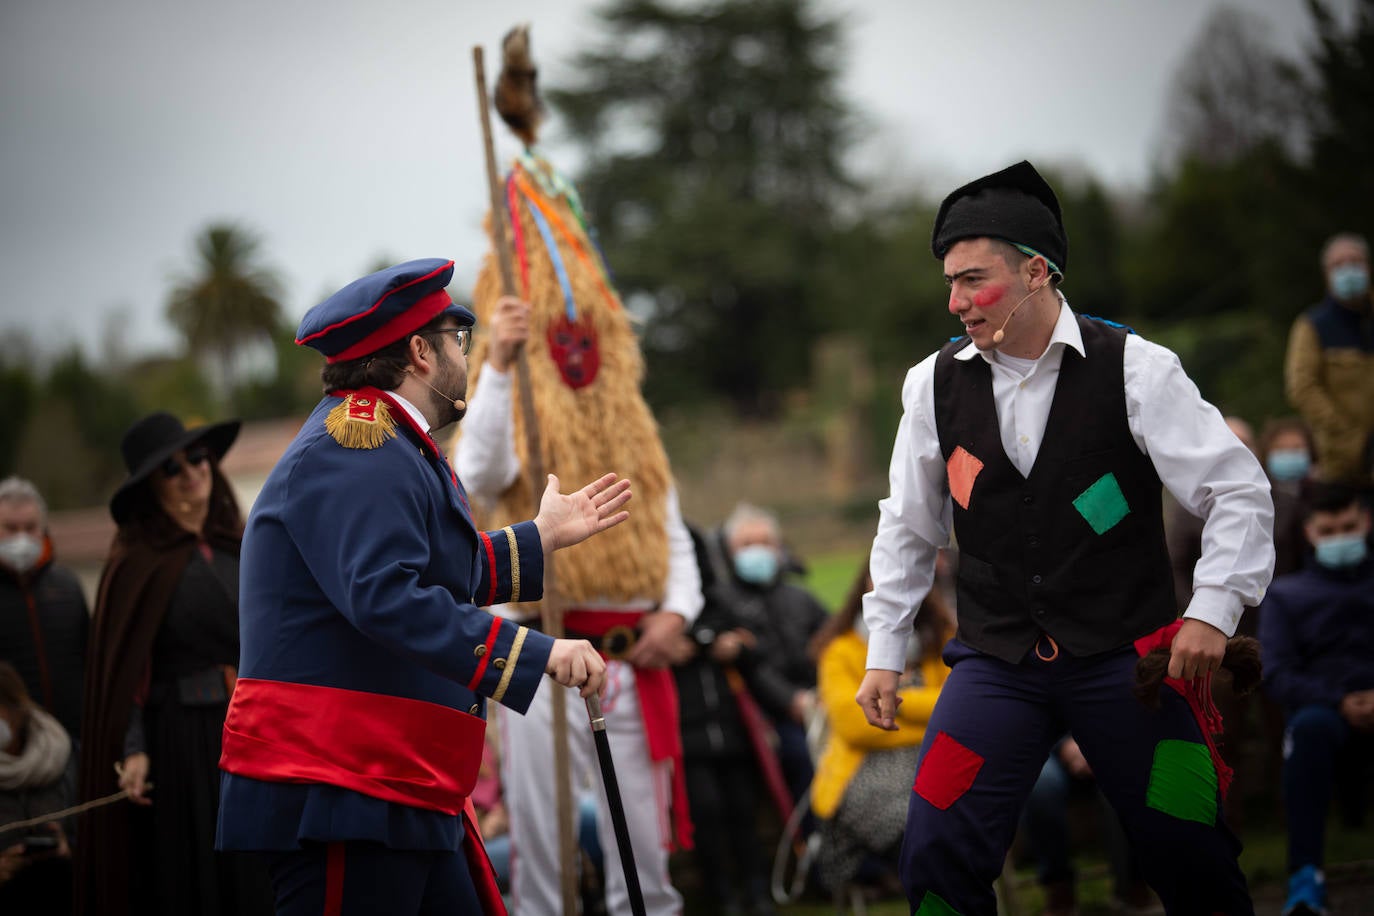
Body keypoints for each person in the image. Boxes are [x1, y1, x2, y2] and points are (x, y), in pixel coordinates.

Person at [855, 160, 1275, 915]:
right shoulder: (934, 383)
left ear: (1037, 272)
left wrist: (1213, 610)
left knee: (1193, 851)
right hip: (996, 663)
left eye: (973, 280)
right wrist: (885, 650)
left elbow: (1237, 490)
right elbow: (908, 525)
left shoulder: (1136, 368)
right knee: (936, 850)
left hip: (1128, 659)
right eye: (949, 283)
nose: (955, 303)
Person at [214, 258, 627, 916]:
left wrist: (538, 537)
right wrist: (539, 652)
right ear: (420, 352)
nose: (464, 353)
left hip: (389, 776)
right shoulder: (358, 442)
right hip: (343, 783)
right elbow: (385, 598)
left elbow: (430, 573)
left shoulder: (386, 438)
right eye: (457, 338)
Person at [454, 152, 703, 915]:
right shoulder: (514, 402)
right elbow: (478, 470)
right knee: (543, 855)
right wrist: (496, 365)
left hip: (630, 656)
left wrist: (677, 614)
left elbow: (674, 538)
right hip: (539, 655)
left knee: (645, 863)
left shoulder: (634, 427)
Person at [74, 410, 272, 916]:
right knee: (199, 878)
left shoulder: (242, 545)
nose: (191, 472)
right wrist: (134, 749)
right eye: (171, 469)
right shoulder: (134, 566)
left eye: (198, 457)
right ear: (150, 490)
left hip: (254, 733)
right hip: (183, 745)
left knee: (261, 873)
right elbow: (127, 676)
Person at [1257, 483, 1374, 916]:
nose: (1340, 537)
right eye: (1330, 530)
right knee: (1308, 731)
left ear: (1366, 522)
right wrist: (1339, 700)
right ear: (1310, 533)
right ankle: (1306, 878)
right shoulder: (1287, 595)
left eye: (1349, 526)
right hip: (1325, 712)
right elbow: (1277, 672)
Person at [809, 555, 952, 901]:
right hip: (863, 771)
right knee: (920, 832)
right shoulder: (840, 651)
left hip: (937, 761)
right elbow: (853, 726)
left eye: (902, 580)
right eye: (881, 580)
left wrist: (893, 701)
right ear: (864, 589)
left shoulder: (943, 640)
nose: (891, 590)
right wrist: (927, 714)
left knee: (957, 822)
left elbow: (958, 708)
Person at [710, 504, 829, 820]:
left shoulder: (800, 597)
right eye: (747, 544)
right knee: (803, 758)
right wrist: (793, 701)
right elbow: (752, 669)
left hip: (821, 702)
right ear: (730, 552)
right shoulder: (723, 603)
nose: (757, 550)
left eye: (764, 542)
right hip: (772, 717)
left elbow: (832, 642)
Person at [1020, 735, 1157, 916]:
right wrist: (1064, 745)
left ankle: (1132, 885)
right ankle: (1059, 887)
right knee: (1041, 785)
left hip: (1104, 740)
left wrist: (1093, 744)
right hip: (1047, 749)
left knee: (1124, 775)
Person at [1284, 232, 1374, 492]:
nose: (1348, 270)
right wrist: (1357, 441)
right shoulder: (1312, 326)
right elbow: (1303, 388)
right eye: (1339, 265)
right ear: (1326, 274)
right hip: (1343, 465)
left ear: (1367, 267)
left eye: (1355, 262)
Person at [0, 477, 88, 741]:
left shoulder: (68, 586)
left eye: (29, 527)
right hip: (12, 745)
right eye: (10, 528)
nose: (21, 537)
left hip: (72, 739)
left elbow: (89, 659)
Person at [0, 661, 74, 913]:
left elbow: (97, 831)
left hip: (62, 894)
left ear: (16, 708)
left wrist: (68, 845)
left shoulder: (61, 753)